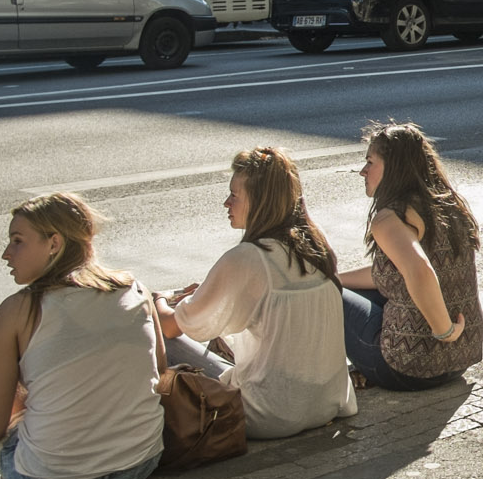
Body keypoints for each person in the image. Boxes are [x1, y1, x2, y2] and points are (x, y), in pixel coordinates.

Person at [0, 193, 163, 479]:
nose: (7, 253)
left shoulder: (19, 310)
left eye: (17, 241)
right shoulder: (133, 289)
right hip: (138, 465)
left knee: (15, 413)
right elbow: (160, 374)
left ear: (54, 244)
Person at [152, 147, 358, 439]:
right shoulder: (315, 246)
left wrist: (157, 300)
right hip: (326, 403)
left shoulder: (248, 257)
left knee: (158, 334)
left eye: (234, 195)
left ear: (259, 202)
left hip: (268, 414)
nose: (227, 203)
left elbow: (172, 327)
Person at [339, 122, 483, 390]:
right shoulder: (446, 204)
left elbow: (419, 270)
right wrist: (336, 278)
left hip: (407, 368)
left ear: (395, 167)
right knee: (338, 286)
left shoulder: (390, 217)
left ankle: (323, 384)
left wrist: (445, 331)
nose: (363, 171)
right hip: (457, 362)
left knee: (325, 294)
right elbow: (391, 273)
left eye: (370, 162)